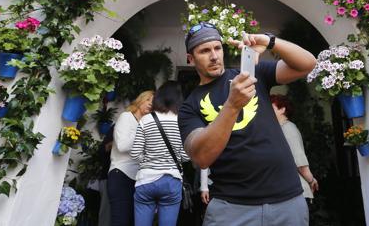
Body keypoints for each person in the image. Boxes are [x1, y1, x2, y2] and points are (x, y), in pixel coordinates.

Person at [178, 22, 317, 226]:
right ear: (191, 59)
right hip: (232, 209)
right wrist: (232, 105)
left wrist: (270, 41)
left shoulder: (251, 74)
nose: (214, 56)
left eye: (217, 48)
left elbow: (307, 64)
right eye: (204, 51)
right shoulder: (189, 106)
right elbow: (201, 158)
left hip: (287, 201)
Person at [130, 81, 190, 226]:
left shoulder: (146, 119)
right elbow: (186, 156)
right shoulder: (182, 122)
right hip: (171, 181)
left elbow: (135, 153)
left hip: (146, 180)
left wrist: (148, 161)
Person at [108, 90, 154, 226]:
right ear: (140, 100)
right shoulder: (126, 117)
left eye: (154, 102)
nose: (151, 104)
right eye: (148, 100)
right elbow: (122, 145)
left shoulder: (148, 125)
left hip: (138, 179)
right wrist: (143, 134)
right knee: (120, 220)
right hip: (120, 174)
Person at [271, 94, 319, 202]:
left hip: (297, 193)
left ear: (282, 109)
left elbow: (300, 161)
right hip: (290, 193)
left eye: (271, 108)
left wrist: (311, 181)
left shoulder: (288, 128)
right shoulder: (279, 129)